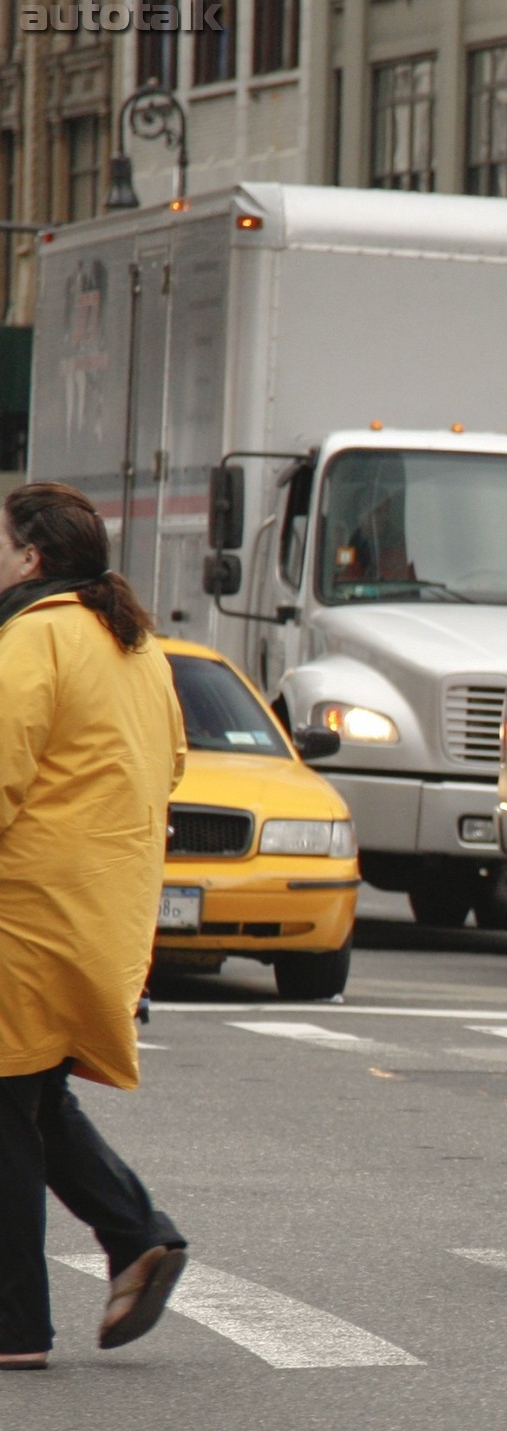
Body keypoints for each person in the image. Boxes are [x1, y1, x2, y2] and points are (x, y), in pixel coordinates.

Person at [0, 484, 191, 1371]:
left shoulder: (33, 636)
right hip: (103, 913)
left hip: (24, 915)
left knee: (5, 1107)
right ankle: (136, 1233)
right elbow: (174, 762)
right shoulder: (135, 643)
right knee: (31, 1096)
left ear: (30, 559)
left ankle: (13, 1328)